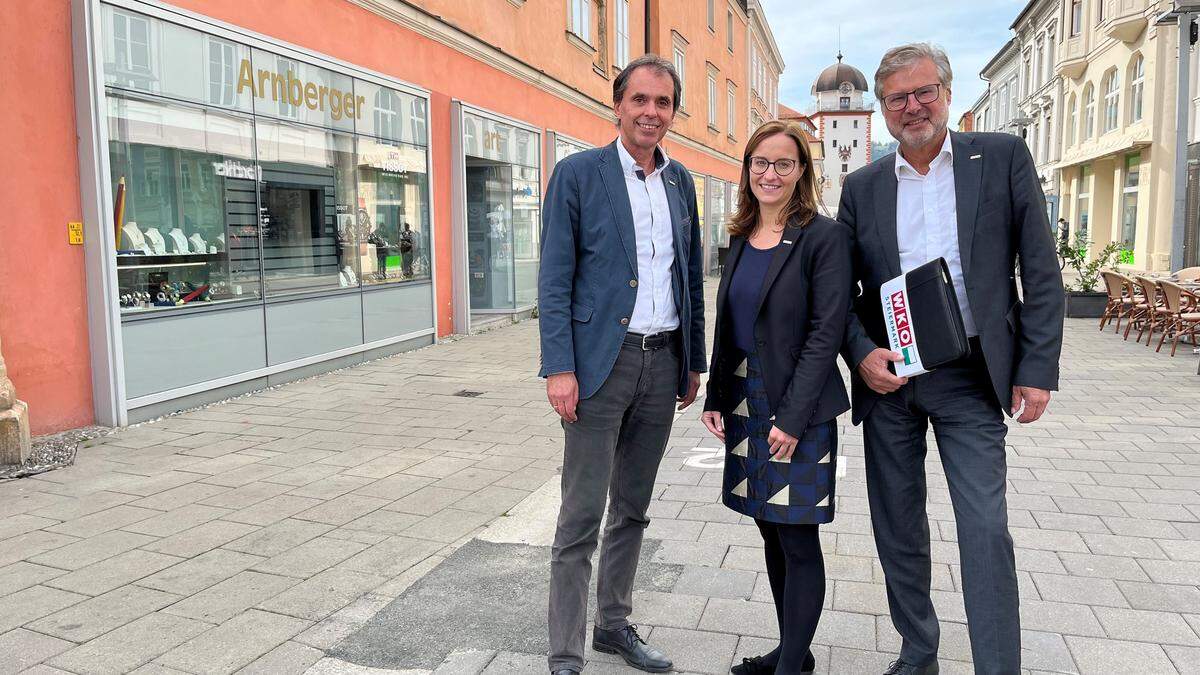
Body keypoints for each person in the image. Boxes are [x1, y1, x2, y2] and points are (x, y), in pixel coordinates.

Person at [837, 43, 1064, 675]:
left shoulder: (999, 158)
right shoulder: (862, 187)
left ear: (947, 92)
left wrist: (1036, 369)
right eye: (897, 98)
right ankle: (918, 653)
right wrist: (860, 355)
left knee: (985, 530)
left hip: (971, 376)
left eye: (923, 92)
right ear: (883, 109)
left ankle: (998, 666)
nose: (912, 107)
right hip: (893, 382)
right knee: (898, 529)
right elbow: (843, 293)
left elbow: (1040, 269)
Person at [539, 53, 706, 675]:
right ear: (618, 105)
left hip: (662, 363)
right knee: (581, 513)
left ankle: (613, 626)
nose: (651, 113)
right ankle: (565, 653)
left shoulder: (681, 181)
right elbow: (555, 278)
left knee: (633, 507)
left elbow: (688, 274)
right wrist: (559, 366)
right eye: (640, 100)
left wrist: (694, 361)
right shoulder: (579, 174)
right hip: (597, 367)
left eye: (663, 103)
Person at [701, 120, 851, 675]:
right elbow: (730, 323)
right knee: (768, 524)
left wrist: (792, 418)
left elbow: (825, 332)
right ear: (747, 169)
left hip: (799, 407)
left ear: (801, 172)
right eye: (760, 162)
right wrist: (716, 394)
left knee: (798, 536)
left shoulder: (823, 237)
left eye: (783, 164)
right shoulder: (740, 235)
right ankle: (794, 651)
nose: (770, 173)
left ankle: (791, 667)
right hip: (745, 398)